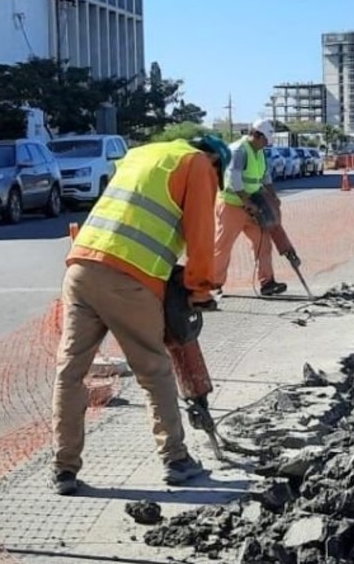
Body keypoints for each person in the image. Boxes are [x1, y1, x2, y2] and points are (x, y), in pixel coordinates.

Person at [51, 133, 231, 496]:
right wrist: (199, 289)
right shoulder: (197, 164)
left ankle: (63, 469)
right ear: (214, 161)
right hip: (129, 279)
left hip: (81, 268)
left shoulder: (140, 155)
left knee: (70, 373)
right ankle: (176, 459)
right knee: (154, 370)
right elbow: (200, 234)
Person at [212, 118, 294, 298]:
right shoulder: (239, 150)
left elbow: (265, 177)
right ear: (256, 135)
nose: (266, 145)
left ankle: (267, 283)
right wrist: (246, 201)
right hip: (232, 205)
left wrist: (273, 196)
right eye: (264, 141)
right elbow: (234, 179)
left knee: (263, 242)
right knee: (223, 246)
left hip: (253, 205)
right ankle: (213, 285)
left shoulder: (259, 152)